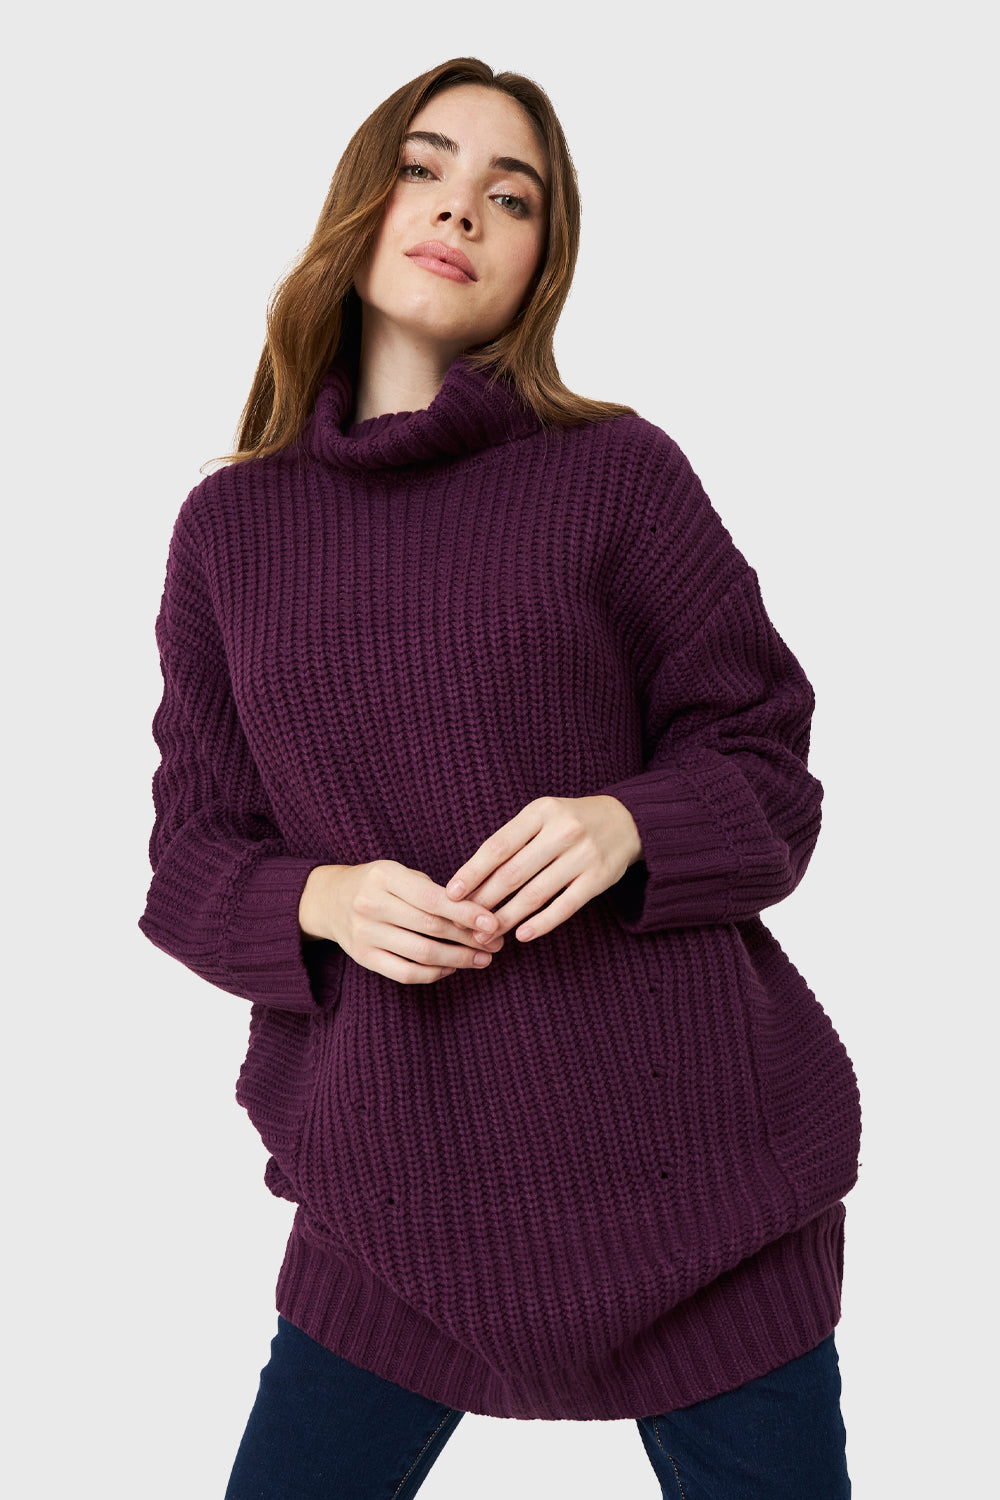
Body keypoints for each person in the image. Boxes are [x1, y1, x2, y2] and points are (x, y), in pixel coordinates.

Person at [137, 55, 862, 1499]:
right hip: (393, 1196)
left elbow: (769, 764)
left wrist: (631, 823)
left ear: (542, 260)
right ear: (361, 202)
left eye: (510, 195)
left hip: (697, 1184)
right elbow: (192, 859)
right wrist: (325, 900)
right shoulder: (231, 530)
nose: (460, 207)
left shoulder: (618, 475)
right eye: (425, 167)